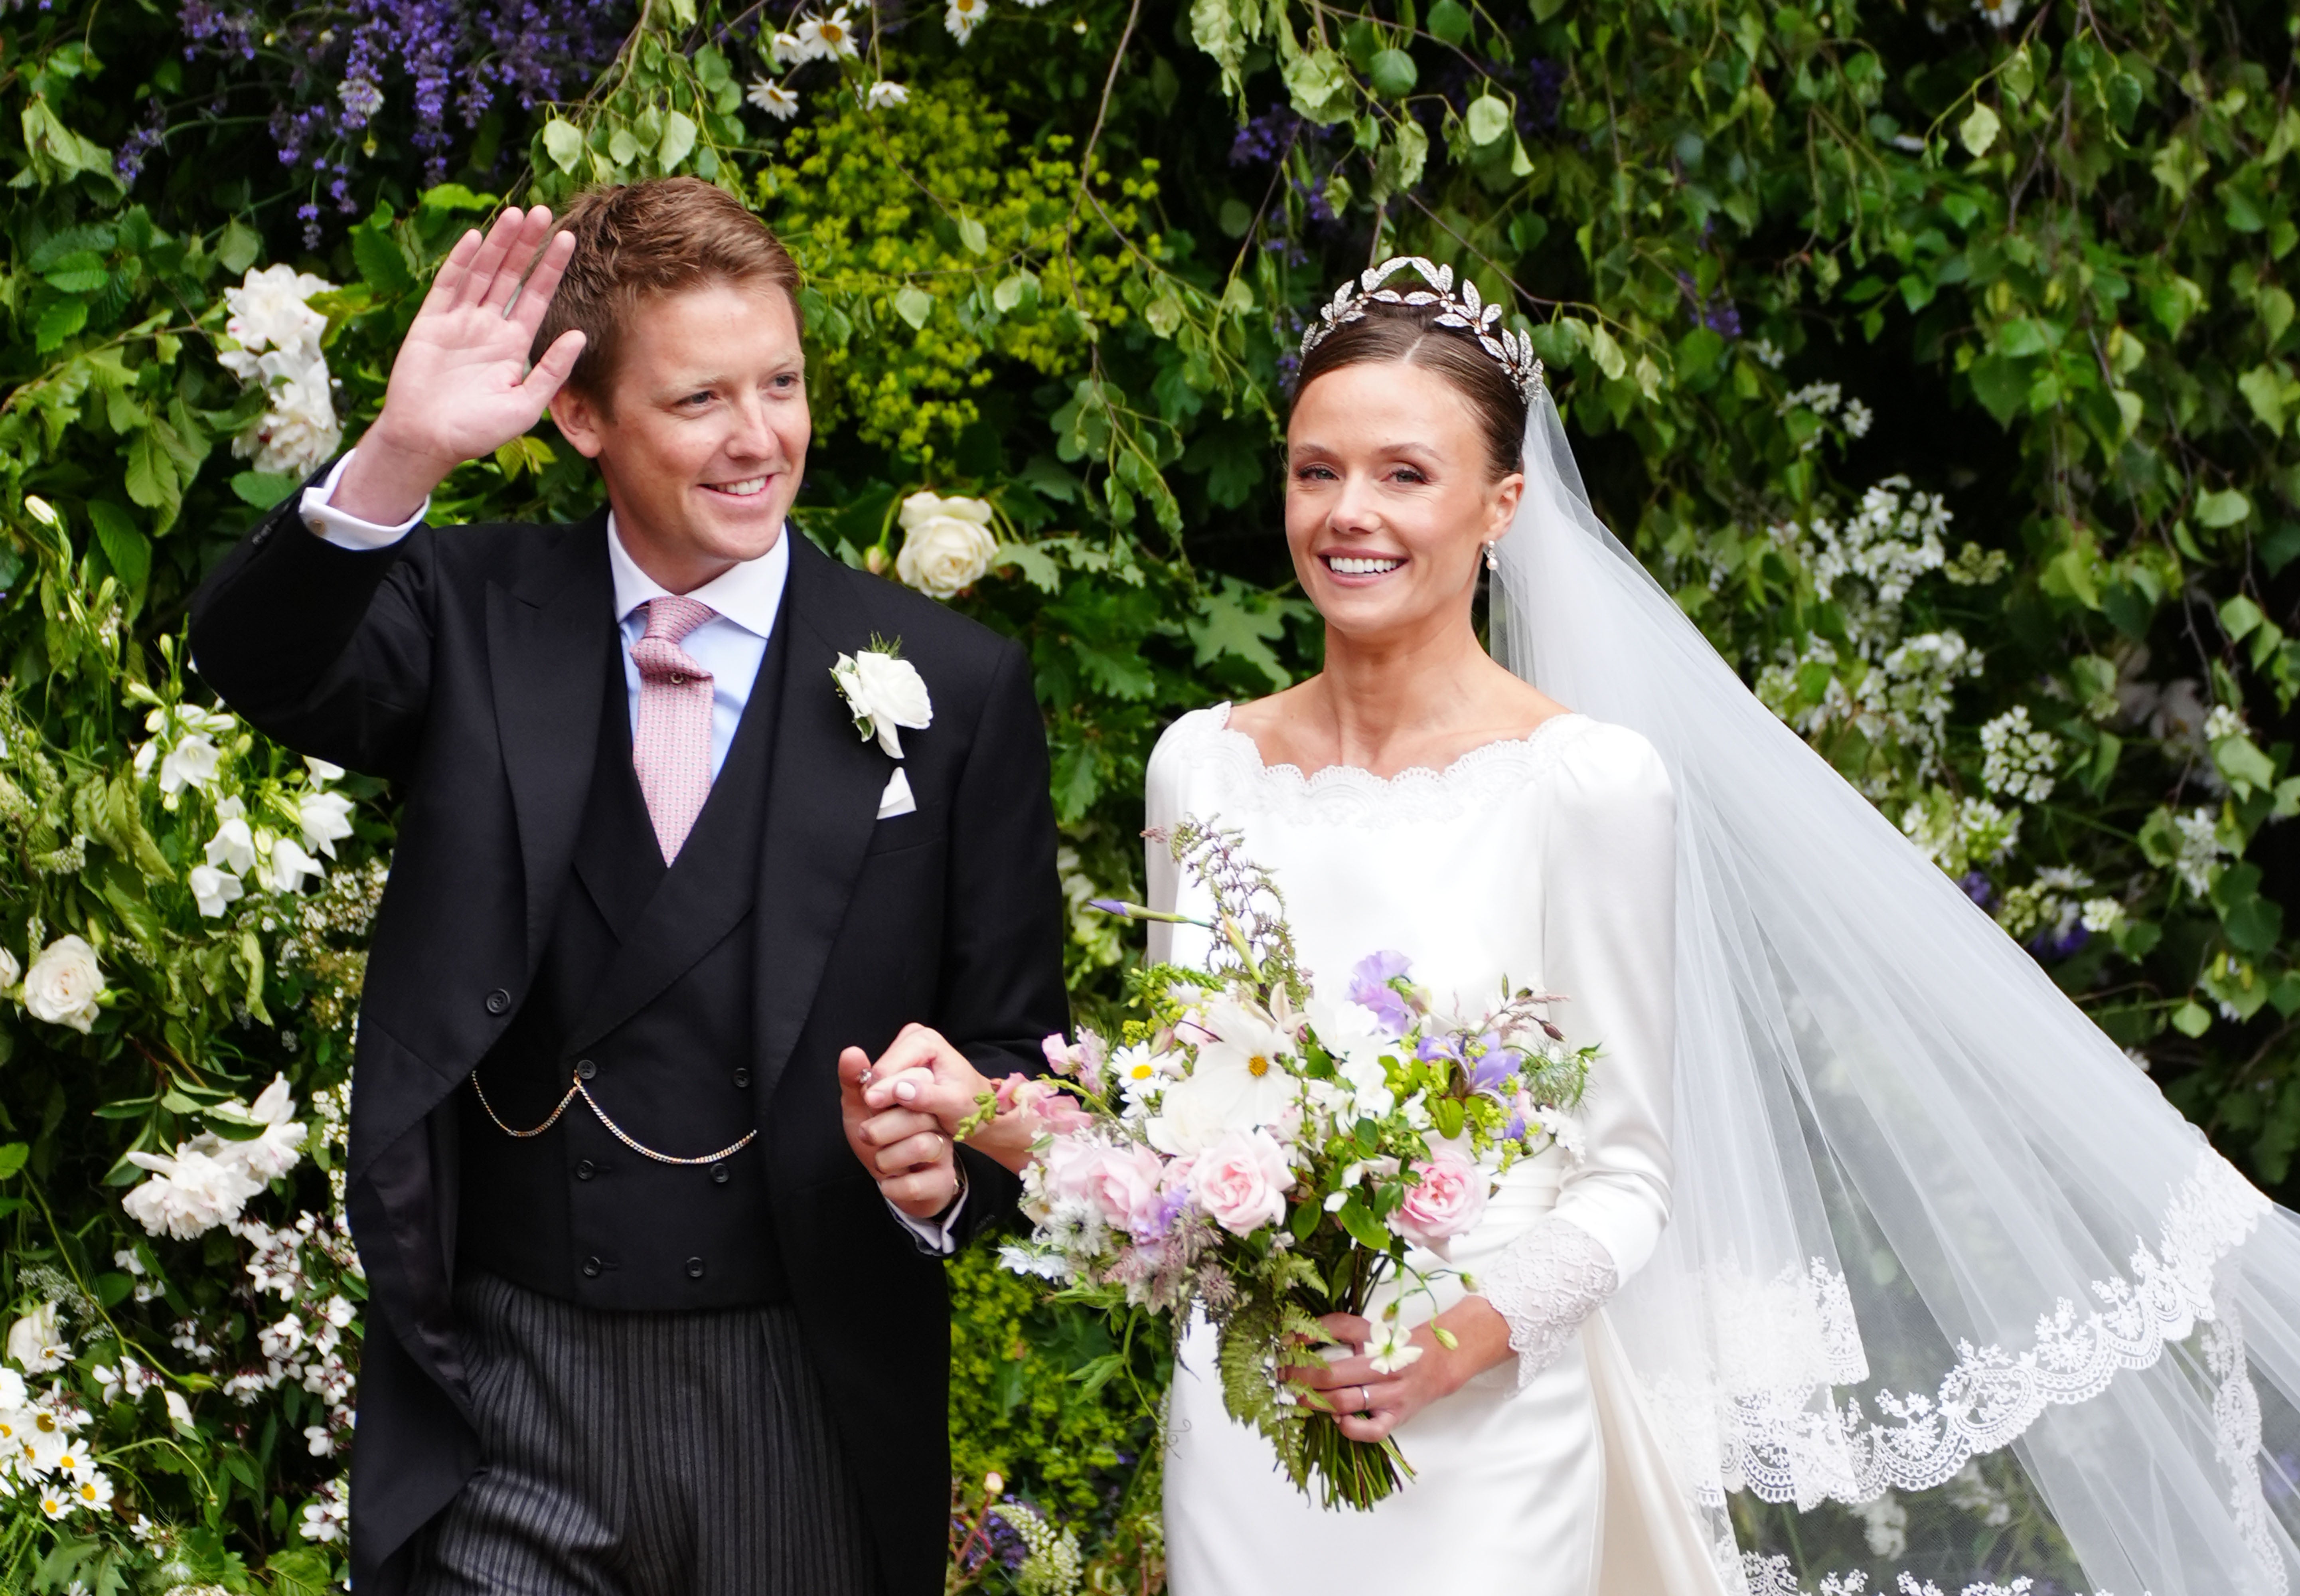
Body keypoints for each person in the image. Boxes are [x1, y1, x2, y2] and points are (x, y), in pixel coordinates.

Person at [867, 258, 2300, 1595]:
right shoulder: (1202, 764)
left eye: (1403, 475)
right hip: (1252, 1423)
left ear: (1499, 509)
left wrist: (1450, 1345)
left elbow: (1624, 1182)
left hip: (1486, 1436)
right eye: (1317, 471)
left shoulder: (1586, 783)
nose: (1347, 513)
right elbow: (1182, 1147)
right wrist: (991, 1109)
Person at [188, 177, 1068, 1596]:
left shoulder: (954, 688)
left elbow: (1018, 1050)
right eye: (699, 399)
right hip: (511, 1389)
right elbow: (256, 662)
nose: (758, 438)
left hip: (804, 1390)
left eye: (779, 382)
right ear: (584, 418)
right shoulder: (468, 611)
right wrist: (400, 458)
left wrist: (943, 1173)